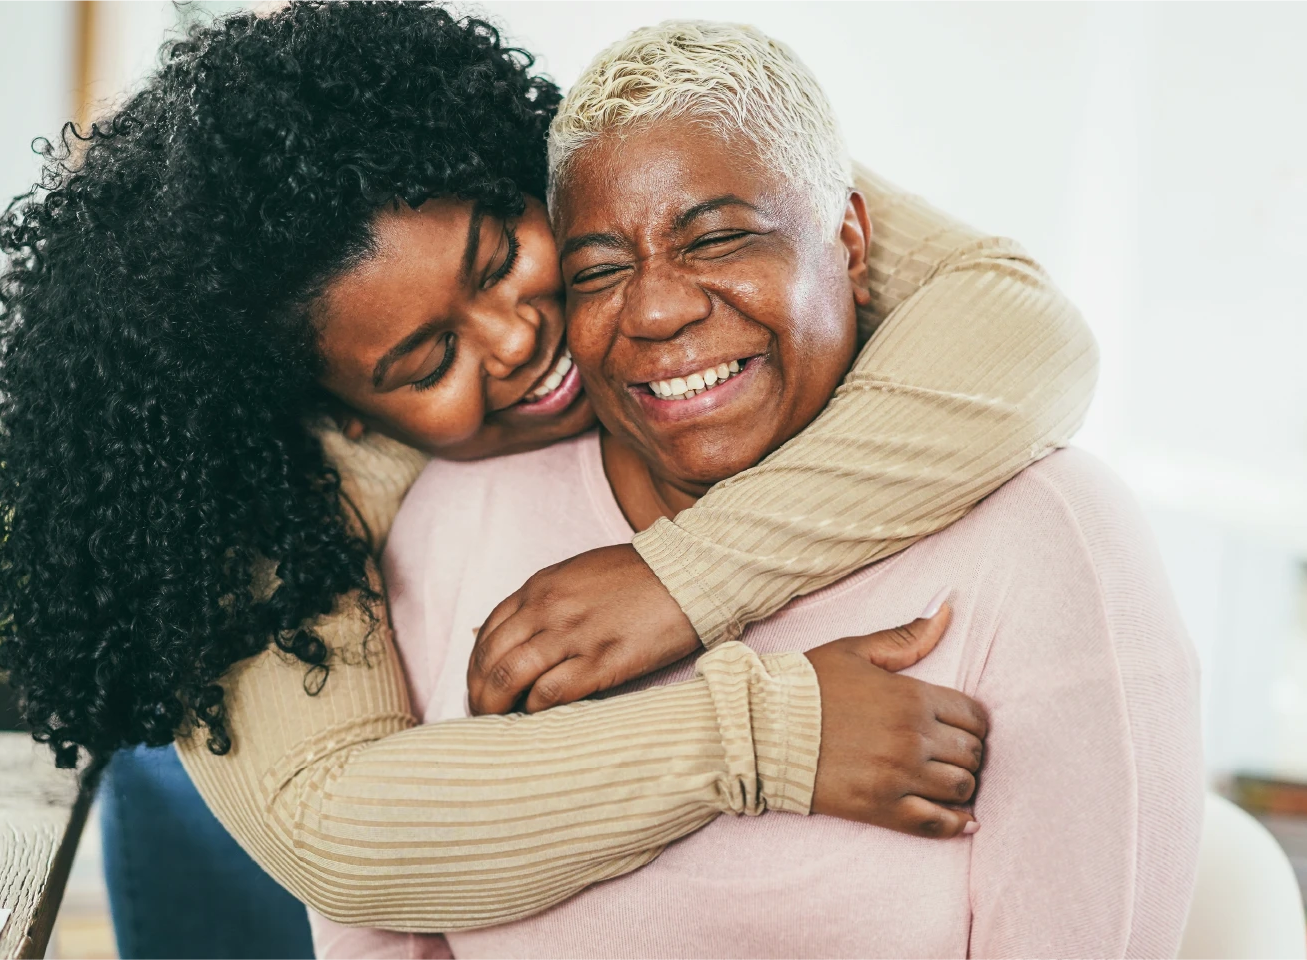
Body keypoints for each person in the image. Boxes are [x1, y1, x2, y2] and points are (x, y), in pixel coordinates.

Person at [0, 0, 1097, 938]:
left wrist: (682, 579)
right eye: (425, 360)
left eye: (503, 256)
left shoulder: (610, 165)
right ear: (337, 411)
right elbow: (336, 829)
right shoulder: (262, 480)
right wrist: (760, 737)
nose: (514, 340)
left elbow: (1020, 326)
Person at [316, 21, 1203, 959]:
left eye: (721, 238)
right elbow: (379, 921)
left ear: (850, 240)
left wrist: (682, 578)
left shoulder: (1048, 542)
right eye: (600, 271)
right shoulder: (452, 526)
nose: (657, 308)